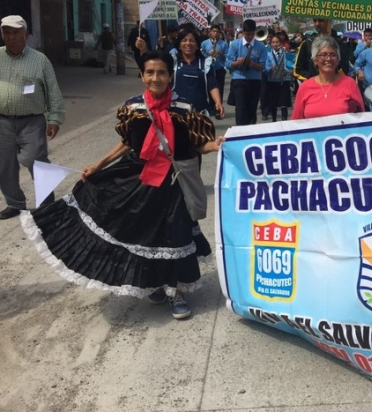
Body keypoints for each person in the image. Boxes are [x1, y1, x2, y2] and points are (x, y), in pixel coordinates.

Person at [20, 51, 224, 319]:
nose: (155, 78)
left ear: (170, 76)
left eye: (161, 73)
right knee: (143, 233)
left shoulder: (184, 109)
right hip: (139, 179)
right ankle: (156, 284)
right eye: (149, 72)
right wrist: (99, 164)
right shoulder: (133, 107)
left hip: (173, 183)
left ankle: (176, 291)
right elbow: (127, 143)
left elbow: (198, 144)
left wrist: (214, 145)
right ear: (142, 75)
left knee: (174, 234)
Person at [0, 15, 66, 220]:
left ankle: (47, 203)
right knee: (4, 165)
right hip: (2, 122)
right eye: (7, 33)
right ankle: (15, 203)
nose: (11, 37)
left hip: (32, 121)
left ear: (26, 35)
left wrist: (54, 118)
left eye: (15, 33)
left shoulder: (40, 60)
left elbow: (53, 90)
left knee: (35, 160)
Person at [292, 36, 363, 120]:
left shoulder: (350, 84)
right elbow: (296, 122)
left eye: (333, 55)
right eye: (323, 55)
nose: (328, 59)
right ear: (315, 60)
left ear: (338, 59)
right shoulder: (305, 87)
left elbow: (361, 119)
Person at [226, 19, 267, 125]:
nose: (250, 37)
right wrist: (238, 62)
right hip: (239, 80)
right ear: (243, 32)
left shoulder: (260, 46)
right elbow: (228, 64)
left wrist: (252, 64)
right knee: (241, 107)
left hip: (254, 81)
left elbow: (263, 66)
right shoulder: (235, 44)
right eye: (247, 34)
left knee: (252, 108)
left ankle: (251, 128)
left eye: (252, 34)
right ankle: (240, 129)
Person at [200, 24, 228, 119]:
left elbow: (226, 57)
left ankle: (218, 108)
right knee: (210, 88)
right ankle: (211, 107)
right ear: (210, 32)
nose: (215, 33)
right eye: (214, 31)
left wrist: (219, 53)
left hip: (219, 68)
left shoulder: (223, 44)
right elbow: (201, 54)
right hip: (208, 68)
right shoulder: (204, 43)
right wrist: (208, 54)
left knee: (219, 88)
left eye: (217, 32)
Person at [265, 34, 292, 121]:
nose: (275, 44)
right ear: (271, 44)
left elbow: (290, 65)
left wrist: (286, 70)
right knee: (273, 104)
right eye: (273, 42)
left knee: (284, 104)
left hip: (284, 80)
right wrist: (270, 68)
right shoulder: (268, 54)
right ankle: (274, 121)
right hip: (272, 81)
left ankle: (284, 121)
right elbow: (265, 67)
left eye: (277, 42)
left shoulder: (286, 53)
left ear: (280, 43)